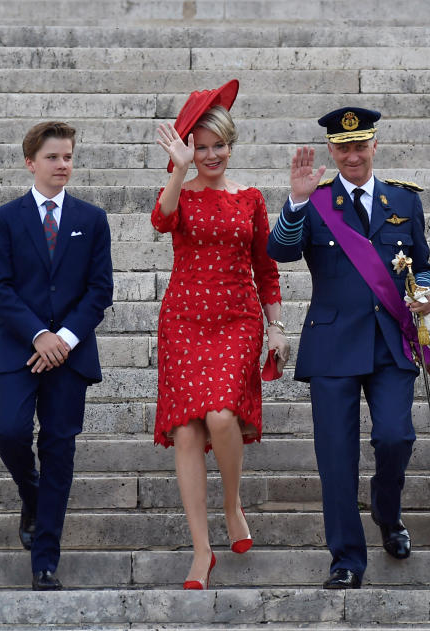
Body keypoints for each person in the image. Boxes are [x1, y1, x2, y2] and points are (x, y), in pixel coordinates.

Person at [268, 107, 430, 590]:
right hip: (334, 343)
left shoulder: (402, 199)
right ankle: (346, 557)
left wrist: (425, 295)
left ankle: (387, 510)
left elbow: (422, 264)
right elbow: (278, 251)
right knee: (336, 457)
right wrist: (296, 202)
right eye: (343, 147)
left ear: (374, 146)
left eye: (360, 145)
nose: (352, 155)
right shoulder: (316, 202)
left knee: (395, 438)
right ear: (331, 150)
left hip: (390, 341)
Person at [152, 79, 287, 590]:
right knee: (187, 431)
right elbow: (160, 221)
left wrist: (276, 325)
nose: (211, 155)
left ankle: (231, 505)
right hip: (185, 319)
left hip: (236, 319)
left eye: (218, 146)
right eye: (200, 147)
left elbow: (266, 269)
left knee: (221, 415)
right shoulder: (179, 193)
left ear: (232, 145)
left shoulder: (251, 199)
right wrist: (179, 170)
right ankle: (201, 550)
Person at [0, 121, 113, 591]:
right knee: (10, 431)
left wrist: (65, 339)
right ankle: (30, 493)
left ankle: (45, 559)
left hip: (71, 356)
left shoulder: (92, 219)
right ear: (31, 162)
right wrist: (39, 334)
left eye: (69, 156)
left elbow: (100, 291)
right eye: (54, 157)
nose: (64, 165)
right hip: (21, 349)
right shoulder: (4, 218)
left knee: (59, 449)